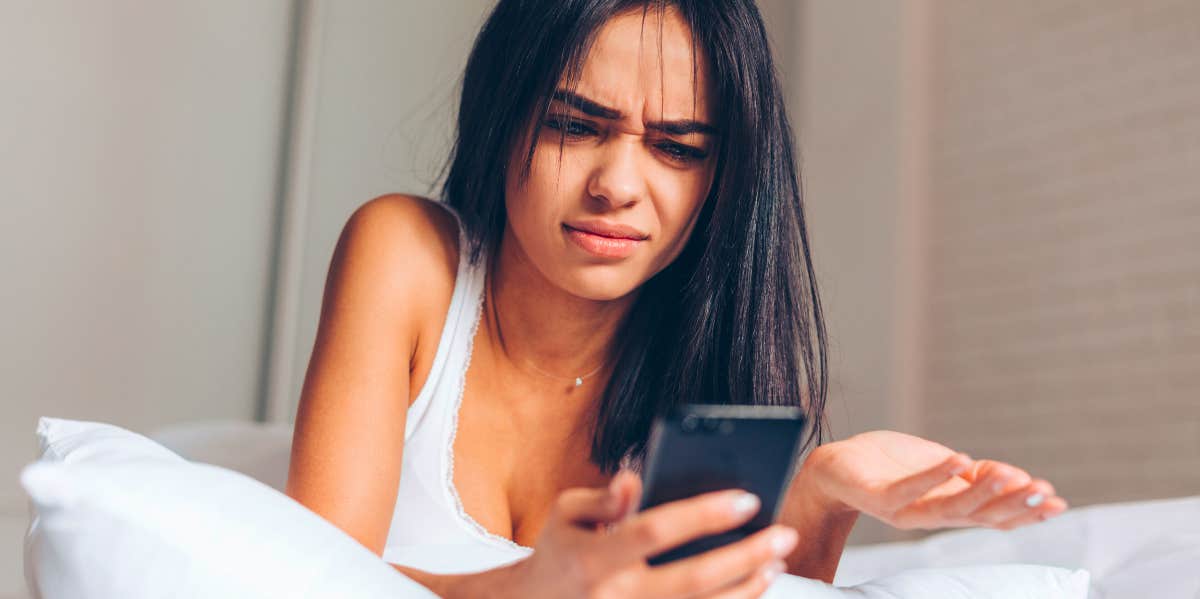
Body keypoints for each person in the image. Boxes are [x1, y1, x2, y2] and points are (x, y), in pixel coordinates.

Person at [284, 1, 1068, 597]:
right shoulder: (407, 255)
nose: (618, 187)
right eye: (573, 124)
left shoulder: (720, 359)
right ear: (503, 115)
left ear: (720, 179)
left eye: (677, 148)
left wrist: (823, 493)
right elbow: (303, 576)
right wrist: (534, 588)